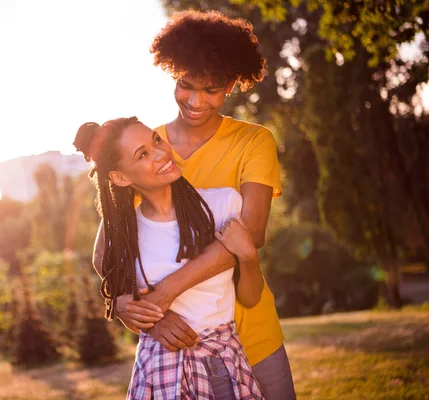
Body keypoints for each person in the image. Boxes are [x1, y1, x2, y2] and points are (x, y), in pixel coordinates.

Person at [106, 10, 297, 400]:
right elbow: (110, 246)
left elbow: (251, 233)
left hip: (251, 330)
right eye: (185, 84)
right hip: (178, 346)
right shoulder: (147, 147)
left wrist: (165, 291)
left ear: (231, 85)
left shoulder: (254, 141)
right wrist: (139, 312)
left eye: (210, 89)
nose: (194, 101)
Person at [74, 117, 264, 399]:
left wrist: (248, 257)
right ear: (121, 177)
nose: (161, 153)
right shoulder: (126, 235)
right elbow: (108, 273)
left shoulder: (224, 203)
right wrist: (146, 316)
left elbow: (250, 298)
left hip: (221, 365)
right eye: (143, 154)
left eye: (156, 140)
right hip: (158, 370)